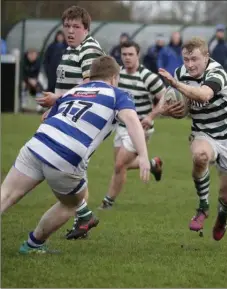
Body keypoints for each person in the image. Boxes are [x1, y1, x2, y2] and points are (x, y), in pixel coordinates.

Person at [0, 55, 151, 254]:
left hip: (37, 143)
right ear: (114, 77)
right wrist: (144, 156)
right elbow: (132, 122)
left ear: (92, 75)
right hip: (66, 156)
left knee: (6, 195)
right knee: (73, 202)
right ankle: (33, 245)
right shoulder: (118, 94)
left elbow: (47, 117)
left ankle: (54, 232)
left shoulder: (76, 90)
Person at [158, 37, 227, 241]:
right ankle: (203, 206)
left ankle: (223, 216)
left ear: (206, 57)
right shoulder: (181, 74)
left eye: (194, 59)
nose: (189, 65)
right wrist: (163, 111)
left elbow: (203, 96)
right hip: (204, 132)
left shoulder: (217, 73)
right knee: (200, 156)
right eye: (186, 59)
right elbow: (173, 102)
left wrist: (175, 84)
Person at [35, 5, 105, 239]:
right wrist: (55, 108)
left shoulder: (89, 49)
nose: (70, 31)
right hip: (68, 117)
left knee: (55, 163)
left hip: (85, 120)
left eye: (76, 26)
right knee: (67, 167)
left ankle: (83, 215)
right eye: (67, 26)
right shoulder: (70, 49)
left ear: (86, 28)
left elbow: (90, 85)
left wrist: (58, 99)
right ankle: (83, 218)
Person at [99, 40, 166, 210]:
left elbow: (166, 98)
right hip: (120, 127)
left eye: (131, 54)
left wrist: (151, 116)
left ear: (138, 55)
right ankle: (153, 164)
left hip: (140, 129)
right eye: (124, 54)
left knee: (120, 164)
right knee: (121, 165)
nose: (127, 58)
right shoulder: (117, 74)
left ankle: (108, 202)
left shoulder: (148, 77)